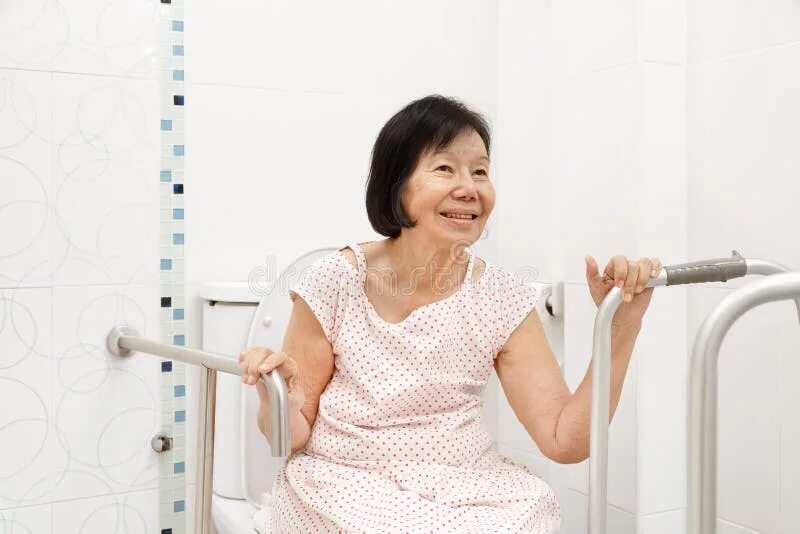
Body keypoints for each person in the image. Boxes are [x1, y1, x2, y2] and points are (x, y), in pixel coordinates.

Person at [239, 94, 661, 532]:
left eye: (480, 171)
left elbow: (564, 439)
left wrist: (620, 326)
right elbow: (290, 436)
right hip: (345, 483)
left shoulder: (501, 297)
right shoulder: (335, 280)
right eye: (445, 168)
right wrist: (277, 394)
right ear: (396, 184)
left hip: (464, 488)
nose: (470, 188)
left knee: (533, 510)